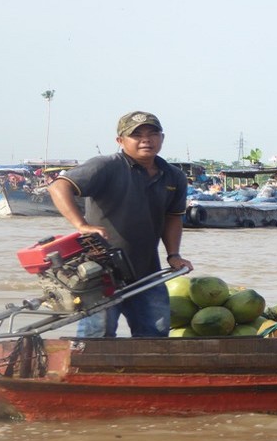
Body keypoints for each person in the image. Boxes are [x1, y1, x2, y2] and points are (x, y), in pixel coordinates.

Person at [49, 111, 194, 337]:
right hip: (100, 272)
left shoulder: (173, 176)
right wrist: (81, 225)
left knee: (155, 334)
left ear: (162, 138)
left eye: (152, 133)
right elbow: (59, 187)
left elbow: (173, 216)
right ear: (120, 141)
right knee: (97, 335)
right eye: (137, 135)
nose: (146, 139)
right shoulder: (106, 166)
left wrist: (173, 254)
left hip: (147, 271)